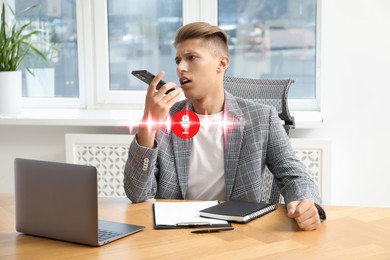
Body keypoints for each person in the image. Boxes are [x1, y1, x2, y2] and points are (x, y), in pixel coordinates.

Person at [124, 22, 326, 231]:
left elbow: (294, 175)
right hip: (176, 233)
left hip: (238, 234)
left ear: (222, 63)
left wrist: (307, 204)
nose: (180, 68)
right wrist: (148, 124)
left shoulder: (261, 117)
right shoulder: (165, 118)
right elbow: (137, 193)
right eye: (178, 60)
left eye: (191, 57)